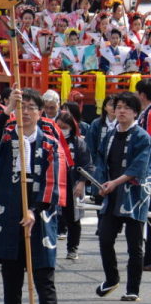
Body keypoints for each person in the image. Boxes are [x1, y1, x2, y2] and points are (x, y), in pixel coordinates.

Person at [0, 88, 69, 304]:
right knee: (11, 282)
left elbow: (53, 184)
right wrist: (6, 110)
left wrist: (34, 210)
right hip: (8, 217)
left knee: (45, 281)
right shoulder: (7, 136)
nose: (26, 112)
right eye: (22, 107)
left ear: (41, 113)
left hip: (38, 217)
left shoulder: (50, 143)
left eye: (31, 107)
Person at [94, 91, 151, 301]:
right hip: (112, 195)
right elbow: (101, 161)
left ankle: (133, 289)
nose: (121, 111)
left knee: (134, 245)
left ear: (135, 112)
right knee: (105, 239)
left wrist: (114, 183)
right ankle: (111, 278)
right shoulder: (109, 135)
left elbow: (139, 168)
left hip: (135, 197)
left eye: (127, 108)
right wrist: (100, 183)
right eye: (118, 107)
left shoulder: (142, 137)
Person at [56, 110, 91, 261]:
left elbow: (87, 164)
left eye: (64, 126)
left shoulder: (78, 142)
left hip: (72, 183)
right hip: (55, 183)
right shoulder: (50, 139)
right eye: (59, 126)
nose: (61, 129)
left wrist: (82, 182)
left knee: (73, 218)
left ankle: (72, 248)